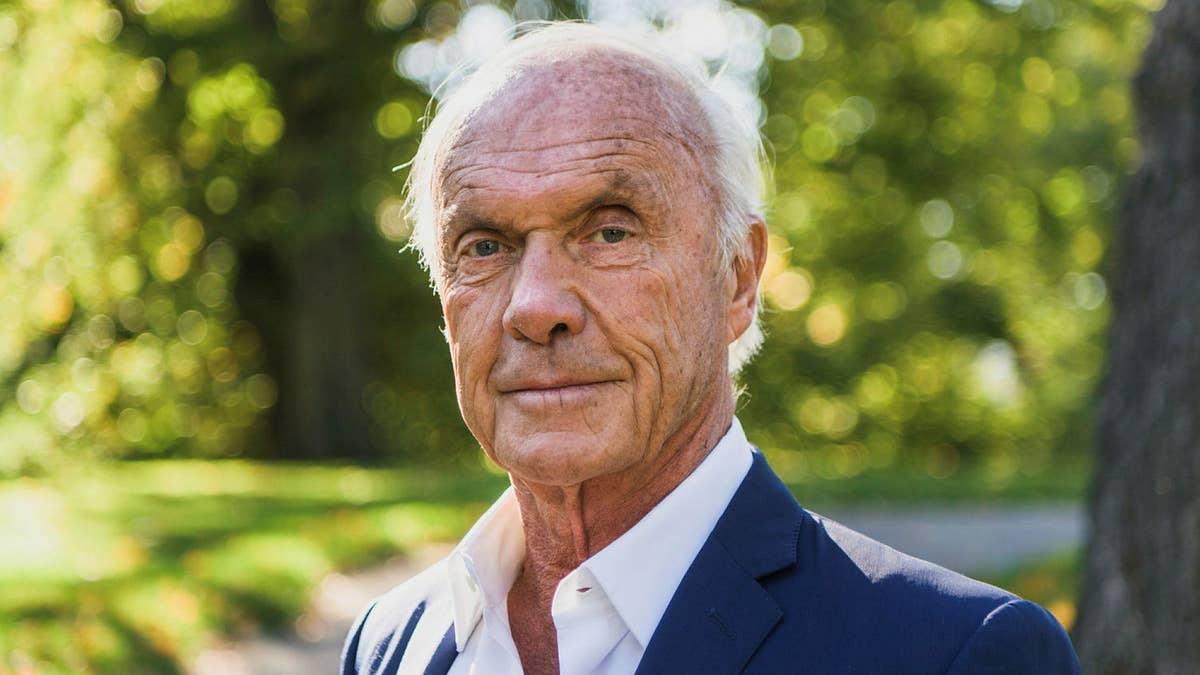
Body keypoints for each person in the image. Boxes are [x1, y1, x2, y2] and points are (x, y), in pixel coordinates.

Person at [341, 22, 1081, 675]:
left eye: (610, 232)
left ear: (738, 278)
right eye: (484, 245)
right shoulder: (391, 644)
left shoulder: (956, 654)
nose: (535, 306)